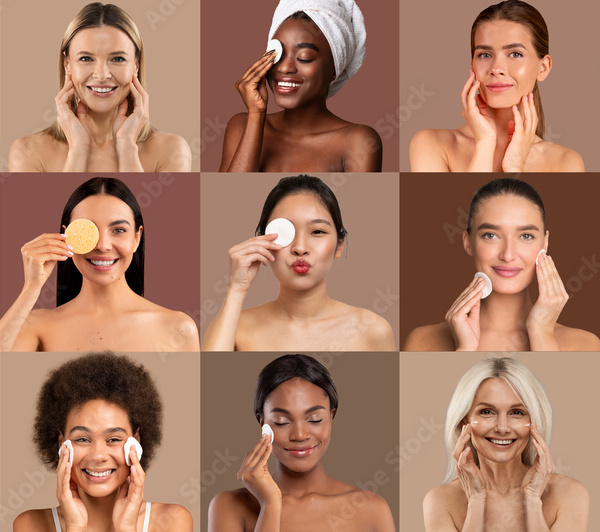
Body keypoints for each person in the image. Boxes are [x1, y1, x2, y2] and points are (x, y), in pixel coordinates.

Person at [0, 177, 199, 352]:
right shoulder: (36, 325)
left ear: (137, 238)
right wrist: (31, 288)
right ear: (66, 236)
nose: (102, 246)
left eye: (119, 230)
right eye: (88, 231)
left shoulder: (178, 328)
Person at [404, 178, 600, 351]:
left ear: (545, 243)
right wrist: (464, 350)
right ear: (468, 242)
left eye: (526, 236)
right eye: (491, 235)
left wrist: (542, 333)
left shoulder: (585, 345)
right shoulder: (423, 342)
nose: (507, 255)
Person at [203, 174, 395, 351]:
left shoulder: (372, 330)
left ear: (339, 244)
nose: (300, 248)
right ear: (262, 242)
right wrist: (236, 289)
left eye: (317, 231)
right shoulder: (235, 327)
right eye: (286, 233)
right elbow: (207, 381)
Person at [209, 354, 394, 531]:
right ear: (263, 423)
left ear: (331, 416)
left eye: (314, 419)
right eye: (282, 422)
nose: (299, 435)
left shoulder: (372, 509)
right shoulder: (229, 505)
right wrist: (270, 504)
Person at [14, 352, 192, 531]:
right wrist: (75, 527)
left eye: (113, 439)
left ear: (136, 442)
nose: (98, 456)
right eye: (83, 439)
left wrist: (127, 528)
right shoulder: (30, 524)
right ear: (62, 444)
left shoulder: (173, 521)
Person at [7, 3, 191, 172]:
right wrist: (79, 149)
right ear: (67, 64)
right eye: (86, 58)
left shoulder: (172, 150)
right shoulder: (27, 153)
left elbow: (142, 207)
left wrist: (127, 147)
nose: (102, 75)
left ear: (135, 65)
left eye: (117, 59)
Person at [410, 0, 583, 172]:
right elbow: (465, 201)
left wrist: (515, 167)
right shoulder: (432, 144)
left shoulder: (565, 162)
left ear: (543, 68)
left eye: (515, 54)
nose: (496, 69)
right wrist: (485, 143)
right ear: (472, 66)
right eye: (485, 55)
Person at [423, 357, 589, 531]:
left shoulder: (570, 494)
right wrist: (476, 501)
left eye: (516, 412)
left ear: (535, 421)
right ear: (464, 422)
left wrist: (533, 501)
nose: (502, 428)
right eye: (486, 412)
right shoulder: (440, 501)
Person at [219, 0, 379, 172]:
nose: (284, 67)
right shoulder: (242, 125)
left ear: (334, 68)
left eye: (304, 57)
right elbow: (224, 198)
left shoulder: (358, 141)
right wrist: (256, 116)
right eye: (277, 54)